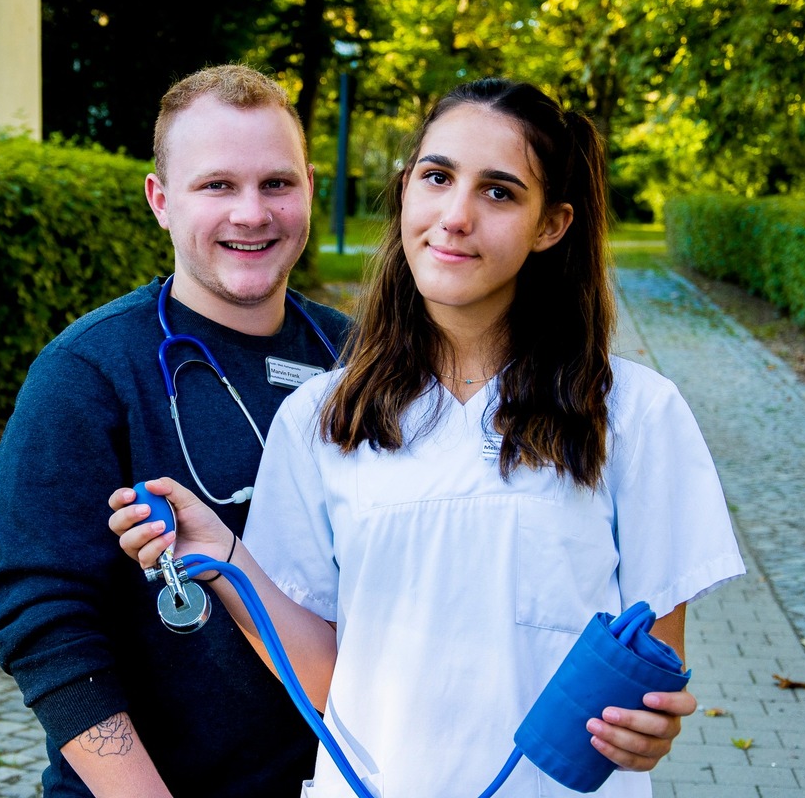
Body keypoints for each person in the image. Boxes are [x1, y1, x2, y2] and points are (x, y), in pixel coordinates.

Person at [111, 76, 746, 797]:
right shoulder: (322, 418)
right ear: (407, 189)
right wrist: (219, 556)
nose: (455, 216)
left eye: (500, 192)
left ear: (552, 225)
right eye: (437, 177)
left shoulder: (634, 413)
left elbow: (653, 669)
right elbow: (325, 682)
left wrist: (648, 729)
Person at [0, 64, 351, 797]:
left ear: (310, 187)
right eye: (217, 186)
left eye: (276, 183)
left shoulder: (362, 360)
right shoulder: (88, 372)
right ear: (161, 199)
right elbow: (40, 618)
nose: (252, 213)